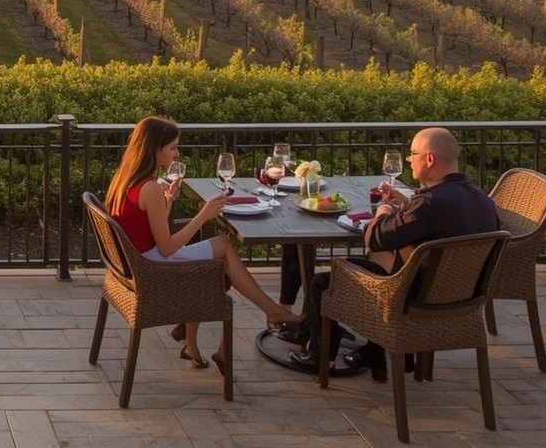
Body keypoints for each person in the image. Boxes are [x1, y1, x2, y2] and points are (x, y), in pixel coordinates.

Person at [289, 127, 500, 381]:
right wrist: (407, 205)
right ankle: (373, 353)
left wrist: (384, 210)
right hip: (464, 298)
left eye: (413, 154)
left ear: (429, 159)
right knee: (386, 263)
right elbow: (437, 222)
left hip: (410, 299)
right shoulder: (482, 200)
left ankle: (319, 358)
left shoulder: (430, 204)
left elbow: (375, 239)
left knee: (322, 283)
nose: (410, 160)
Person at [106, 117, 303, 370]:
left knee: (218, 259)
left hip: (137, 264)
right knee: (221, 249)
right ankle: (272, 311)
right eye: (172, 148)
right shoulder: (149, 188)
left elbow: (147, 228)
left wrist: (167, 202)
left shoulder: (125, 179)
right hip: (152, 267)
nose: (177, 153)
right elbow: (166, 247)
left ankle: (192, 342)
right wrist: (204, 215)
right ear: (155, 149)